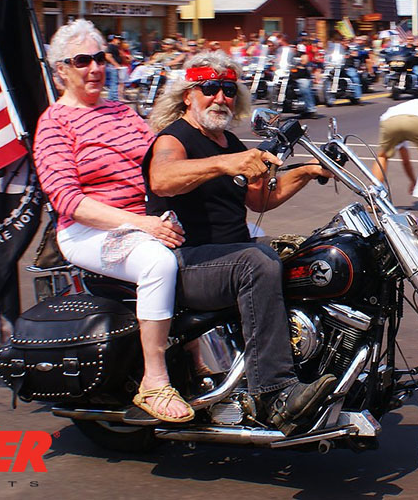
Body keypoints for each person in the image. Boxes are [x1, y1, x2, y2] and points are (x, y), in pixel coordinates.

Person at [143, 51, 337, 436]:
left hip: (226, 258)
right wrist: (225, 163)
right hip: (188, 263)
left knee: (310, 256)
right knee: (257, 261)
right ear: (188, 95)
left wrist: (311, 170)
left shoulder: (228, 140)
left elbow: (259, 199)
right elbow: (162, 178)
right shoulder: (174, 138)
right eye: (210, 88)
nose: (220, 98)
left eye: (228, 89)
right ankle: (275, 392)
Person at [32, 20, 193, 423]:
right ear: (61, 70)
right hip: (90, 230)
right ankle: (154, 381)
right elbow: (67, 199)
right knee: (158, 263)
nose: (94, 68)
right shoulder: (55, 123)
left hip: (144, 219)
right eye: (82, 60)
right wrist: (141, 224)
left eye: (99, 58)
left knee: (240, 242)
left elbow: (160, 158)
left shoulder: (121, 111)